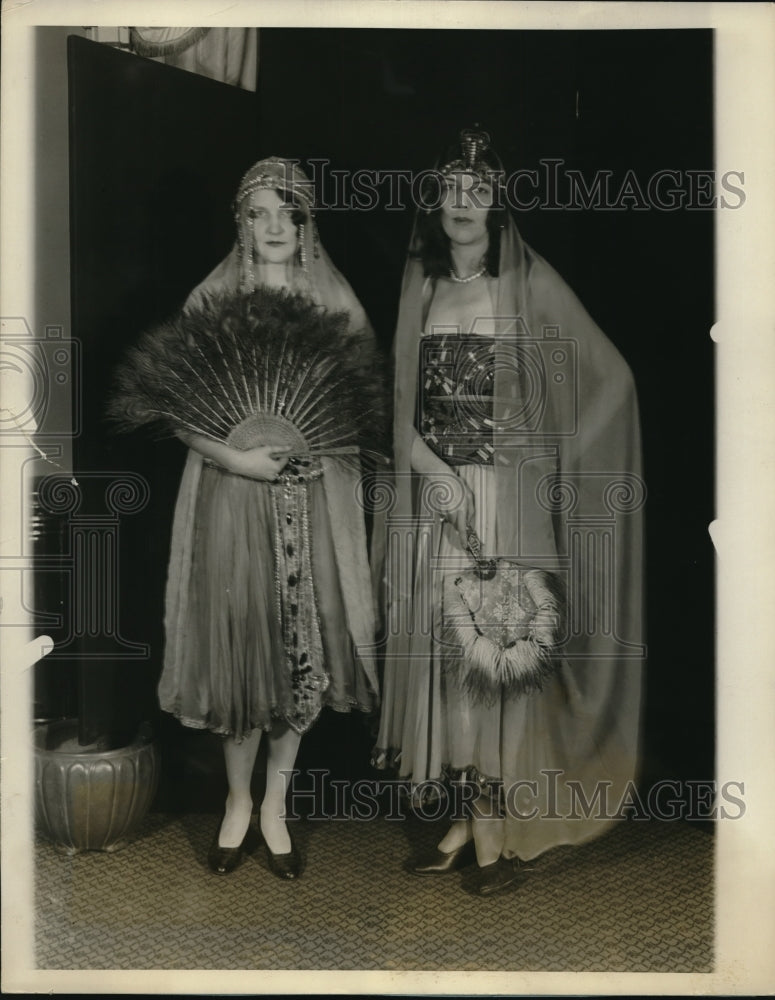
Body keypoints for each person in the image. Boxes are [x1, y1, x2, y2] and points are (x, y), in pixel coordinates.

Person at [373, 129, 644, 896]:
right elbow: (398, 407)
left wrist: (537, 462)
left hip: (503, 501)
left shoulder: (529, 287)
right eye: (449, 188)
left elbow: (607, 380)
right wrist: (431, 470)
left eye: (477, 189)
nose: (462, 203)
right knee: (444, 660)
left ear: (496, 203)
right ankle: (463, 818)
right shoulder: (420, 288)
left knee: (489, 661)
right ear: (434, 200)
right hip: (436, 498)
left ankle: (490, 825)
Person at [157, 158, 380, 878]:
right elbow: (180, 413)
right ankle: (236, 804)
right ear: (241, 224)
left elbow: (358, 410)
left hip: (311, 499)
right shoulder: (210, 298)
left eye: (289, 212)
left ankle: (276, 805)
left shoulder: (338, 306)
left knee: (298, 654)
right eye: (260, 212)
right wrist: (238, 459)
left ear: (307, 224)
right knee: (240, 644)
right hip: (232, 493)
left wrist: (317, 450)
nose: (275, 226)